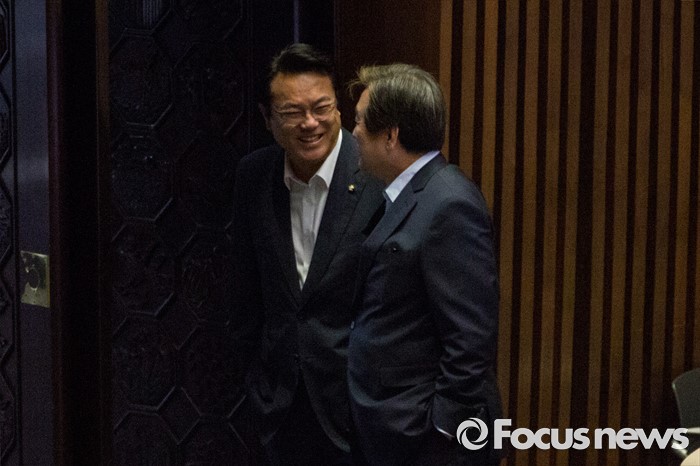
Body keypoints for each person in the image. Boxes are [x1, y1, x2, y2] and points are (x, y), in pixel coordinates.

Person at [231, 43, 383, 466]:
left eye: (321, 108)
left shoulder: (375, 175)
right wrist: (255, 383)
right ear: (267, 119)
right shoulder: (253, 176)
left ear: (339, 109)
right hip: (278, 407)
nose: (310, 123)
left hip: (356, 411)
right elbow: (245, 292)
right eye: (292, 112)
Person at [348, 63, 504, 466]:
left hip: (430, 445)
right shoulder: (406, 195)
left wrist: (441, 428)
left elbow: (471, 338)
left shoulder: (450, 203)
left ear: (391, 135)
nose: (354, 133)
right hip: (397, 433)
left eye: (360, 121)